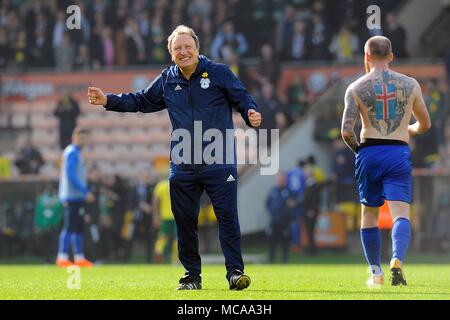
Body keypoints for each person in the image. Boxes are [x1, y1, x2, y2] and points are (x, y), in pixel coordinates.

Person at [87, 25, 262, 290]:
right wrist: (108, 100)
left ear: (197, 49)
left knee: (226, 217)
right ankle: (192, 276)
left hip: (219, 160)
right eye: (177, 48)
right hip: (183, 164)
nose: (183, 52)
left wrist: (250, 112)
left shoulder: (219, 73)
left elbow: (242, 97)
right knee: (184, 220)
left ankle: (235, 272)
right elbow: (141, 101)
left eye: (187, 47)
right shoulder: (168, 80)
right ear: (171, 53)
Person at [341, 36, 431, 287]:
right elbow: (425, 124)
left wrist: (361, 153)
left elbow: (346, 132)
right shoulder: (410, 85)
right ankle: (397, 261)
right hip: (398, 152)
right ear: (391, 56)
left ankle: (376, 273)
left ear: (366, 56)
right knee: (401, 214)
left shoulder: (356, 88)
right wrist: (409, 130)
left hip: (369, 151)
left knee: (368, 214)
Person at [56, 127, 95, 268]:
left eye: (85, 138)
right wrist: (85, 191)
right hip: (71, 196)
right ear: (74, 137)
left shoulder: (76, 152)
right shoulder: (72, 152)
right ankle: (62, 256)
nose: (83, 140)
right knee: (69, 226)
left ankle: (79, 258)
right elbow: (71, 175)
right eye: (81, 137)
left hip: (76, 197)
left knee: (78, 227)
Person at [265, 173, 296, 264]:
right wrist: (272, 212)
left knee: (285, 243)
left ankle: (284, 261)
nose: (281, 180)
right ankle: (271, 261)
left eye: (283, 179)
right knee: (272, 242)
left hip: (285, 221)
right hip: (274, 221)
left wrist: (289, 215)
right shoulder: (274, 190)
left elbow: (293, 205)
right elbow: (267, 203)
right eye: (280, 179)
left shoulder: (290, 191)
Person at [152, 178, 177, 264]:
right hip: (176, 216)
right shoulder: (178, 184)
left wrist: (155, 215)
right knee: (177, 238)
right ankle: (175, 260)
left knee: (162, 238)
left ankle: (158, 258)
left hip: (164, 216)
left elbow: (155, 201)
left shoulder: (160, 185)